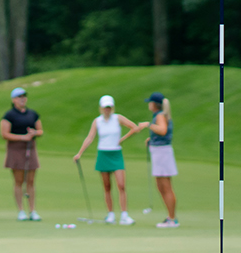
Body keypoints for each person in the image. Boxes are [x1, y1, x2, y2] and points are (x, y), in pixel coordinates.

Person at [74, 95, 142, 226]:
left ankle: (124, 215)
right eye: (105, 107)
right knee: (107, 187)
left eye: (109, 107)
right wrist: (79, 153)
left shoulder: (118, 118)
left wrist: (122, 140)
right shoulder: (97, 121)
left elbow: (135, 128)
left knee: (121, 185)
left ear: (112, 108)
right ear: (101, 108)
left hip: (116, 154)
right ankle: (110, 214)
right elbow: (90, 138)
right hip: (103, 154)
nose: (107, 110)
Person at [0, 88, 44, 221]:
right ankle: (21, 210)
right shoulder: (9, 115)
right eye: (19, 97)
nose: (22, 98)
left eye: (24, 96)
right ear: (13, 100)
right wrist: (22, 137)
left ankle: (32, 210)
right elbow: (4, 134)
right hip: (16, 149)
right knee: (19, 181)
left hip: (30, 148)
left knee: (30, 181)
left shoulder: (32, 114)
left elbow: (40, 130)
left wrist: (34, 133)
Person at [137, 93, 179, 228]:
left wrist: (148, 125)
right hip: (160, 151)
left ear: (154, 104)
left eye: (150, 102)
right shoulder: (160, 115)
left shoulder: (159, 116)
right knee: (161, 186)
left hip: (162, 153)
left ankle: (172, 219)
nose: (149, 104)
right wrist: (151, 139)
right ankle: (170, 217)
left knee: (166, 187)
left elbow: (162, 130)